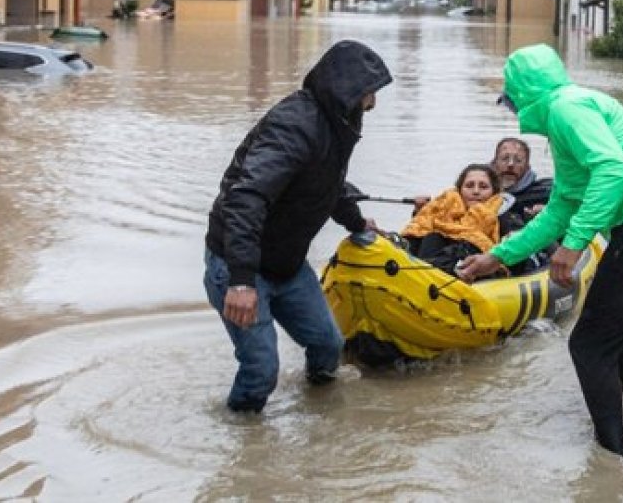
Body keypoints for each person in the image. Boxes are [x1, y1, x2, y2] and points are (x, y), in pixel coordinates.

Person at [457, 44, 623, 462]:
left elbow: (614, 169)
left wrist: (573, 246)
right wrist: (496, 257)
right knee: (611, 327)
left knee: (588, 345)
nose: (511, 109)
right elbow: (559, 208)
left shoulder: (566, 109)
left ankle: (614, 462)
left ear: (523, 93)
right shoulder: (570, 113)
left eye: (511, 99)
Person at [203, 40, 392, 414]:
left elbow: (328, 185)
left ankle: (320, 412)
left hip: (287, 265)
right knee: (262, 370)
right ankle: (242, 440)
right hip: (240, 266)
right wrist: (241, 281)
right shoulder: (294, 127)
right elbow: (247, 198)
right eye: (370, 91)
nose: (374, 101)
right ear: (347, 88)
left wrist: (357, 223)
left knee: (329, 347)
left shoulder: (340, 123)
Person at [401, 164, 504, 273]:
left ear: (494, 191)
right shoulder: (443, 207)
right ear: (459, 190)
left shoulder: (503, 213)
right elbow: (419, 228)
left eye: (483, 187)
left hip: (473, 265)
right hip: (433, 259)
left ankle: (421, 269)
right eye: (469, 186)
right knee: (432, 237)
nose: (476, 191)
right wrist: (418, 212)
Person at [490, 137, 553, 233]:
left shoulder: (546, 192)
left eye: (518, 160)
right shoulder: (476, 189)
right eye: (504, 159)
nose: (510, 164)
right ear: (494, 163)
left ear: (527, 167)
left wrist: (549, 213)